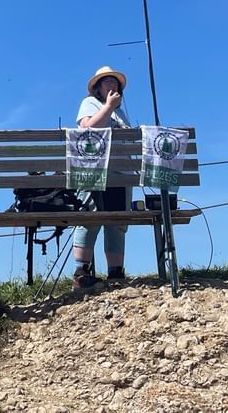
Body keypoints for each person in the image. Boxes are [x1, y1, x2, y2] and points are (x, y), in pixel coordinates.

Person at [71, 65, 132, 288]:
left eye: (114, 81)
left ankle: (116, 272)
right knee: (90, 218)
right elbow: (87, 129)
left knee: (117, 221)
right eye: (106, 81)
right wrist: (108, 107)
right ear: (97, 88)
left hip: (120, 173)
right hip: (93, 172)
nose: (112, 84)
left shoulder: (120, 111)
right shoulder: (90, 103)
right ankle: (81, 272)